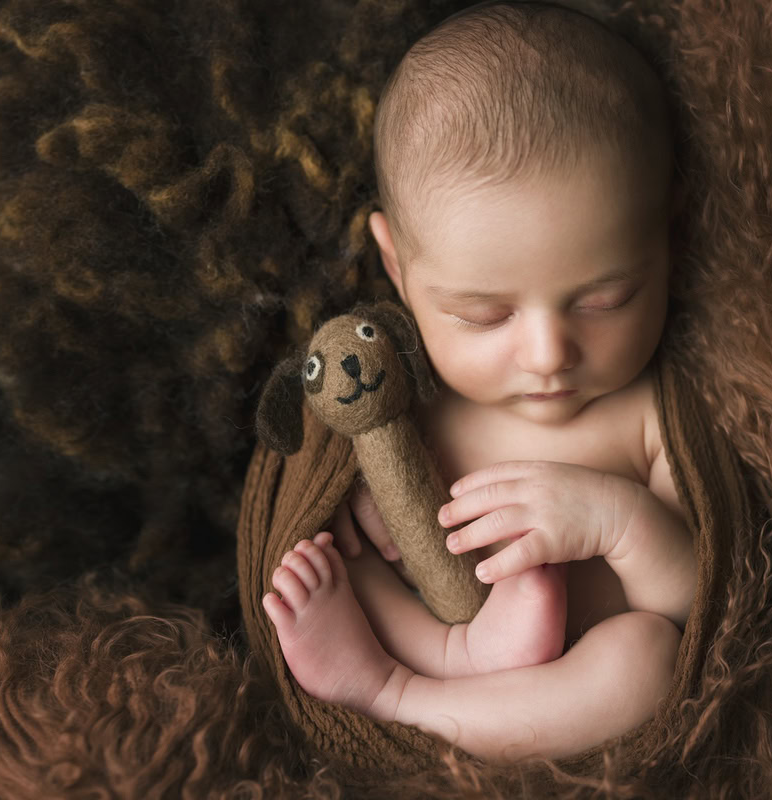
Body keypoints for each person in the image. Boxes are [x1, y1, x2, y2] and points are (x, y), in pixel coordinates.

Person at [262, 0, 694, 761]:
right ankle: (415, 659)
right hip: (427, 629)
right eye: (484, 314)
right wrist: (365, 492)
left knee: (648, 660)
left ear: (667, 235)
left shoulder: (647, 413)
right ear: (398, 268)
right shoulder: (416, 395)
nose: (547, 353)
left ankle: (399, 698)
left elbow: (692, 595)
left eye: (604, 300)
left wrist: (620, 522)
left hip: (565, 689)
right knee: (333, 562)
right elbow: (327, 468)